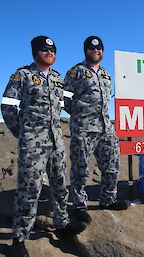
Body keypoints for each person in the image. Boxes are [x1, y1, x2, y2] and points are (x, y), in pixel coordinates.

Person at [1, 36, 86, 257]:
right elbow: (8, 105)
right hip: (33, 143)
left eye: (52, 50)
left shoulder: (58, 78)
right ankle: (19, 239)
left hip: (56, 141)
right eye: (44, 50)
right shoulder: (23, 75)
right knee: (29, 190)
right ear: (35, 52)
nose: (50, 53)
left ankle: (62, 224)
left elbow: (69, 103)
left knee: (59, 185)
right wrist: (23, 133)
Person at [64, 36, 128, 225]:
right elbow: (65, 100)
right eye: (92, 48)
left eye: (99, 48)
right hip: (84, 128)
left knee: (112, 165)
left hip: (105, 127)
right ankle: (79, 206)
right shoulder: (76, 72)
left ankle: (108, 200)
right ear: (86, 51)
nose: (96, 51)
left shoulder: (106, 75)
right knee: (80, 169)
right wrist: (81, 115)